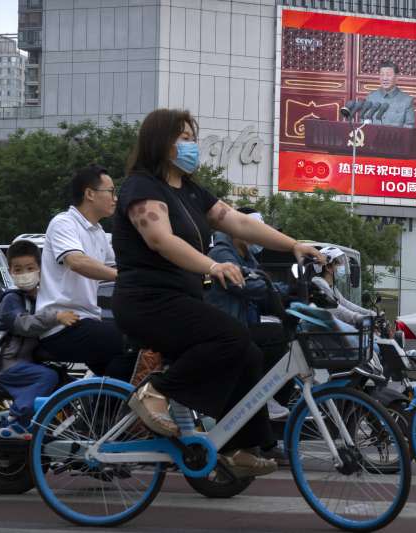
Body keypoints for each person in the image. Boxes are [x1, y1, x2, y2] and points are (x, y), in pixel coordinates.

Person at [112, 108, 324, 478]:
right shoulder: (141, 187)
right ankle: (155, 392)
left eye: (193, 137)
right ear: (160, 142)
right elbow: (160, 239)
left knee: (248, 352)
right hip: (148, 301)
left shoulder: (190, 190)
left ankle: (237, 445)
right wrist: (212, 266)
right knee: (230, 337)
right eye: (184, 137)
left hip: (181, 300)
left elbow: (237, 220)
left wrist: (292, 244)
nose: (193, 145)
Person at [37, 165, 134, 381]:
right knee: (134, 344)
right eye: (111, 192)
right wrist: (123, 277)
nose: (115, 198)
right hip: (62, 326)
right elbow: (76, 261)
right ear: (90, 194)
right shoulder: (64, 223)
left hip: (87, 321)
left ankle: (101, 410)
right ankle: (101, 411)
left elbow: (124, 264)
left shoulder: (98, 232)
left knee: (128, 367)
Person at [205, 207, 292, 423]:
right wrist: (281, 290)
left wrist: (293, 291)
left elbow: (262, 283)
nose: (258, 237)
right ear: (238, 230)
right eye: (255, 231)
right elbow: (247, 285)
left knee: (287, 363)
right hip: (225, 328)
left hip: (242, 324)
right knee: (275, 335)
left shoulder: (247, 256)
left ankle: (266, 439)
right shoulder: (222, 253)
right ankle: (262, 395)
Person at [0, 240, 79, 439]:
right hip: (9, 363)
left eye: (30, 268)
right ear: (10, 271)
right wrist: (55, 317)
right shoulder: (11, 299)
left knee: (70, 383)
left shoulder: (43, 297)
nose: (25, 273)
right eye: (18, 269)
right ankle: (16, 419)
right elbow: (23, 324)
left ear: (40, 269)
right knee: (47, 377)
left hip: (29, 363)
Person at [311, 246, 376, 327]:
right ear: (328, 267)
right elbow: (336, 309)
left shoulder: (332, 287)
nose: (342, 266)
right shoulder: (319, 283)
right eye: (338, 263)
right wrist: (359, 318)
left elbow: (345, 303)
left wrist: (368, 312)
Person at [364, 60, 415, 128]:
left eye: (388, 75)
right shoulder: (371, 97)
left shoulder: (407, 100)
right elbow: (364, 122)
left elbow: (409, 127)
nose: (385, 78)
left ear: (396, 78)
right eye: (382, 75)